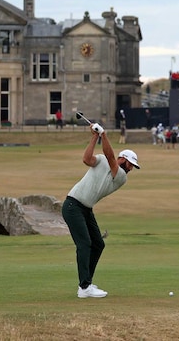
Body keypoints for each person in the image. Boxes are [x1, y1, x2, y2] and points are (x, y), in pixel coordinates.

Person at [61, 123, 140, 299]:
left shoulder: (121, 177)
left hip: (85, 209)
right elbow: (87, 159)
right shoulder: (103, 160)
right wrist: (95, 136)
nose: (131, 168)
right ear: (124, 159)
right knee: (84, 244)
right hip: (73, 206)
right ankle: (84, 287)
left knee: (98, 244)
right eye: (130, 164)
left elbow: (110, 157)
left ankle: (86, 282)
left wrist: (103, 134)